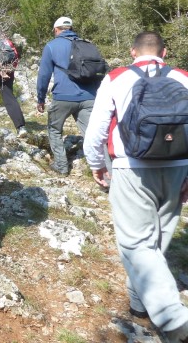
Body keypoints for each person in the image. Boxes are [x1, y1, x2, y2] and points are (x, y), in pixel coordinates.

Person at [83, 31, 188, 343]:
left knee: (136, 243)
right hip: (178, 166)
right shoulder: (183, 77)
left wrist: (96, 163)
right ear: (164, 53)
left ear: (132, 52)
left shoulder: (116, 77)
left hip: (131, 167)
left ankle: (174, 320)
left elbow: (98, 126)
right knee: (156, 241)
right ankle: (139, 303)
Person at [36, 16, 97, 174]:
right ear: (70, 28)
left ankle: (62, 166)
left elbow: (44, 75)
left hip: (63, 96)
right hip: (89, 97)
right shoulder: (87, 44)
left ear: (56, 30)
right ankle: (101, 168)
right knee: (91, 134)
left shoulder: (51, 46)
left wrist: (40, 99)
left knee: (54, 130)